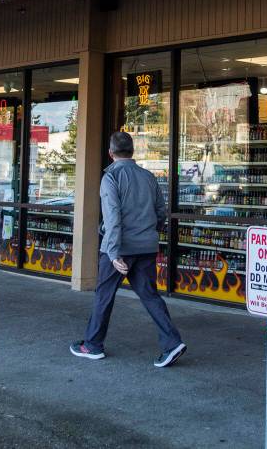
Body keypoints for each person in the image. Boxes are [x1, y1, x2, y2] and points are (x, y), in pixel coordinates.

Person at [70, 131, 186, 368]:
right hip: (145, 247)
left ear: (110, 153)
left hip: (120, 249)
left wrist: (113, 253)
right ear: (132, 152)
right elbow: (161, 212)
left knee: (104, 295)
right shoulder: (148, 177)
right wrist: (149, 234)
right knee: (150, 296)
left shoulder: (111, 177)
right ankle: (172, 343)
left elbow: (112, 218)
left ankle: (92, 345)